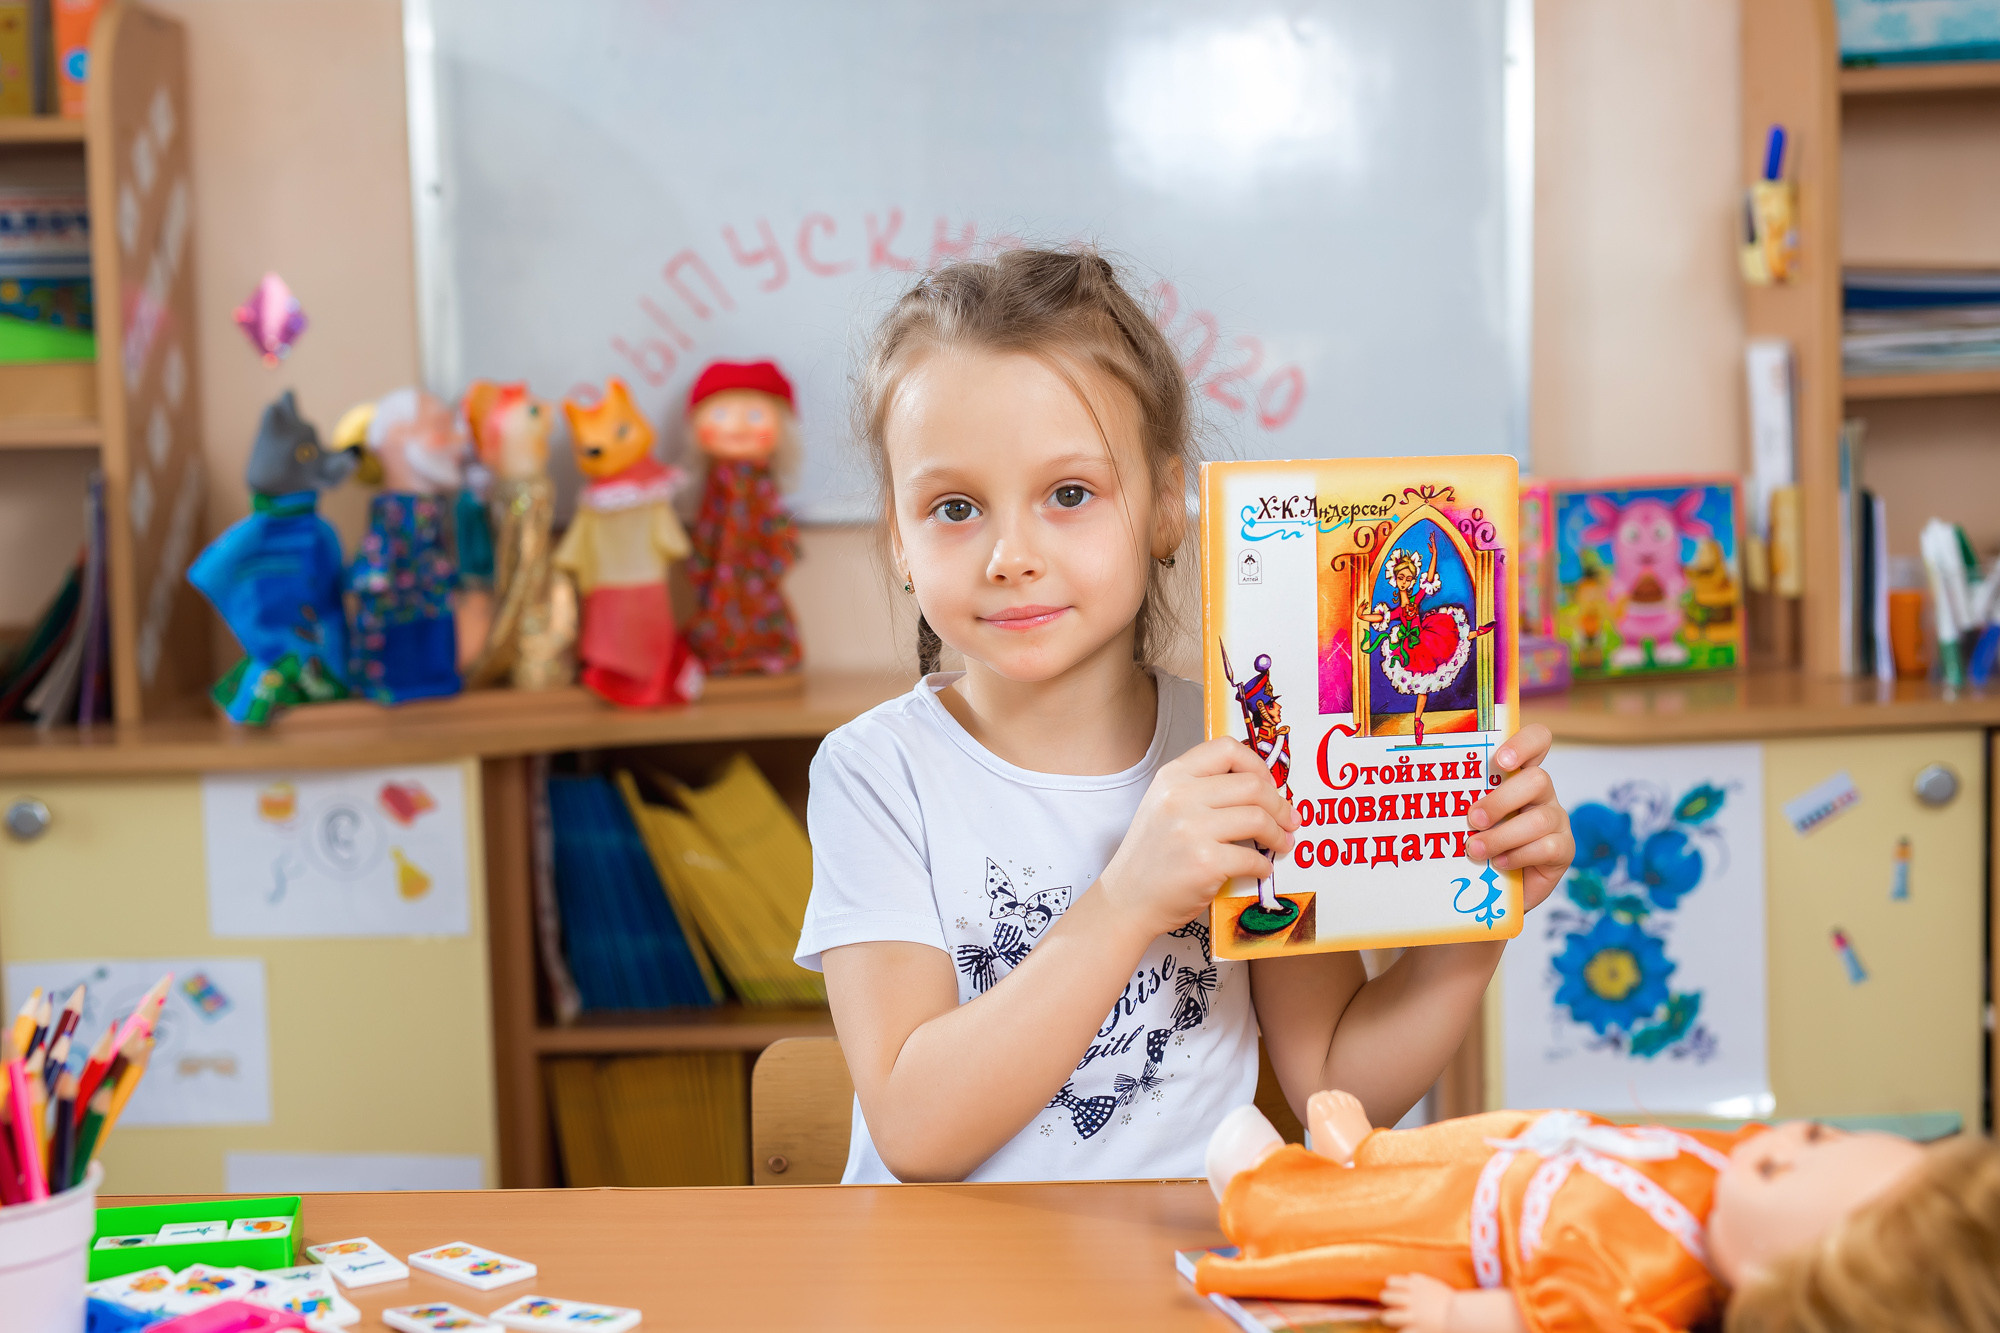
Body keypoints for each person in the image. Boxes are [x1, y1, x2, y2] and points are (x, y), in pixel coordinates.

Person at [795, 249, 1574, 1184]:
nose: (1010, 555)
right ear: (899, 537)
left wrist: (1479, 921)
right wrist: (1128, 900)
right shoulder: (874, 774)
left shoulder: (1246, 753)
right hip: (940, 1263)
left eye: (1070, 494)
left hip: (1167, 1258)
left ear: (1168, 506)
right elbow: (916, 1133)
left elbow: (1337, 1089)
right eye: (954, 506)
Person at [1199, 1091, 2000, 1333]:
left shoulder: (1645, 1286)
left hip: (1482, 1222)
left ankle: (1270, 1192)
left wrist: (1452, 1313)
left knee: (1386, 1218)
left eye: (1781, 1166)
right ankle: (1367, 1152)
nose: (1783, 1138)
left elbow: (1545, 1314)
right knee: (1433, 1153)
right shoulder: (1730, 1171)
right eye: (1822, 1130)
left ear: (1767, 1279)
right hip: (1531, 1149)